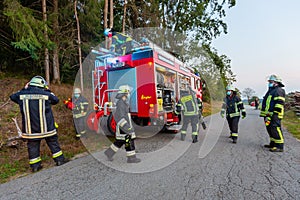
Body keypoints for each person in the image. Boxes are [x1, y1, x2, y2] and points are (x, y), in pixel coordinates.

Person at [10, 76, 67, 172]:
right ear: (41, 85)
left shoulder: (22, 94)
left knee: (33, 146)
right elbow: (55, 100)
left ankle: (35, 166)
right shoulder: (46, 94)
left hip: (30, 130)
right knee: (53, 143)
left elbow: (12, 97)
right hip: (47, 128)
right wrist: (48, 90)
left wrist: (24, 88)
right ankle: (59, 160)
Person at [104, 85, 141, 163]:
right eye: (127, 93)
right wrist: (127, 127)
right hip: (123, 127)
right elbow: (120, 117)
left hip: (122, 127)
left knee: (119, 141)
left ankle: (109, 153)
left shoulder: (123, 103)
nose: (128, 95)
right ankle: (131, 158)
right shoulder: (121, 103)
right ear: (124, 94)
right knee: (129, 141)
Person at [260, 75, 285, 152]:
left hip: (275, 114)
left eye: (271, 82)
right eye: (269, 82)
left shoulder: (279, 90)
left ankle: (279, 146)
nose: (269, 83)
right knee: (270, 129)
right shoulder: (271, 91)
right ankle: (273, 143)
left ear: (276, 83)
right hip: (268, 114)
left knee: (275, 128)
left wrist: (275, 113)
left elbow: (279, 102)